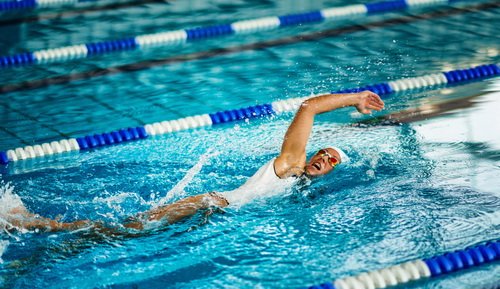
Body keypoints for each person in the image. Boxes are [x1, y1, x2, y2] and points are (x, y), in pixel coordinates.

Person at [5, 91, 384, 233]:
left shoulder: (301, 188)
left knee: (111, 236)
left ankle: (36, 229)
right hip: (208, 203)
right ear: (314, 153)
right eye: (324, 153)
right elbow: (309, 107)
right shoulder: (291, 164)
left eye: (332, 161)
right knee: (121, 231)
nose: (325, 160)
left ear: (333, 170)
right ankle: (27, 222)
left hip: (212, 213)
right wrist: (354, 99)